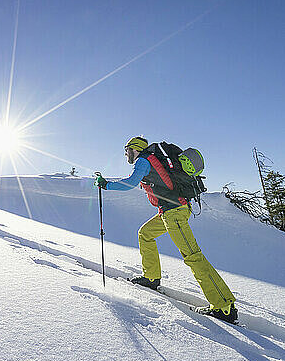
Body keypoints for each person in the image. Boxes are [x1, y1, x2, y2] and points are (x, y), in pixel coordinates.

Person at [95, 136, 238, 323]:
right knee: (145, 234)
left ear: (134, 149)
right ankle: (151, 278)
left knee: (193, 256)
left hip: (174, 214)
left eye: (127, 150)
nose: (125, 154)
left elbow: (131, 183)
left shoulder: (143, 160)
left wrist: (105, 184)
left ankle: (224, 306)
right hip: (169, 212)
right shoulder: (151, 160)